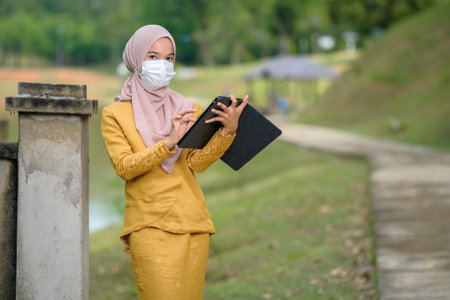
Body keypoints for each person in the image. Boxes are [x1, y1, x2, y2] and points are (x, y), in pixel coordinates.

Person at [101, 24, 248, 300]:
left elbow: (196, 163)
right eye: (153, 57)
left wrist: (228, 130)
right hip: (151, 225)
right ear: (136, 60)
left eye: (169, 58)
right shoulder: (115, 114)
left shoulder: (188, 107)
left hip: (193, 222)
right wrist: (167, 143)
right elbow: (125, 167)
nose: (163, 65)